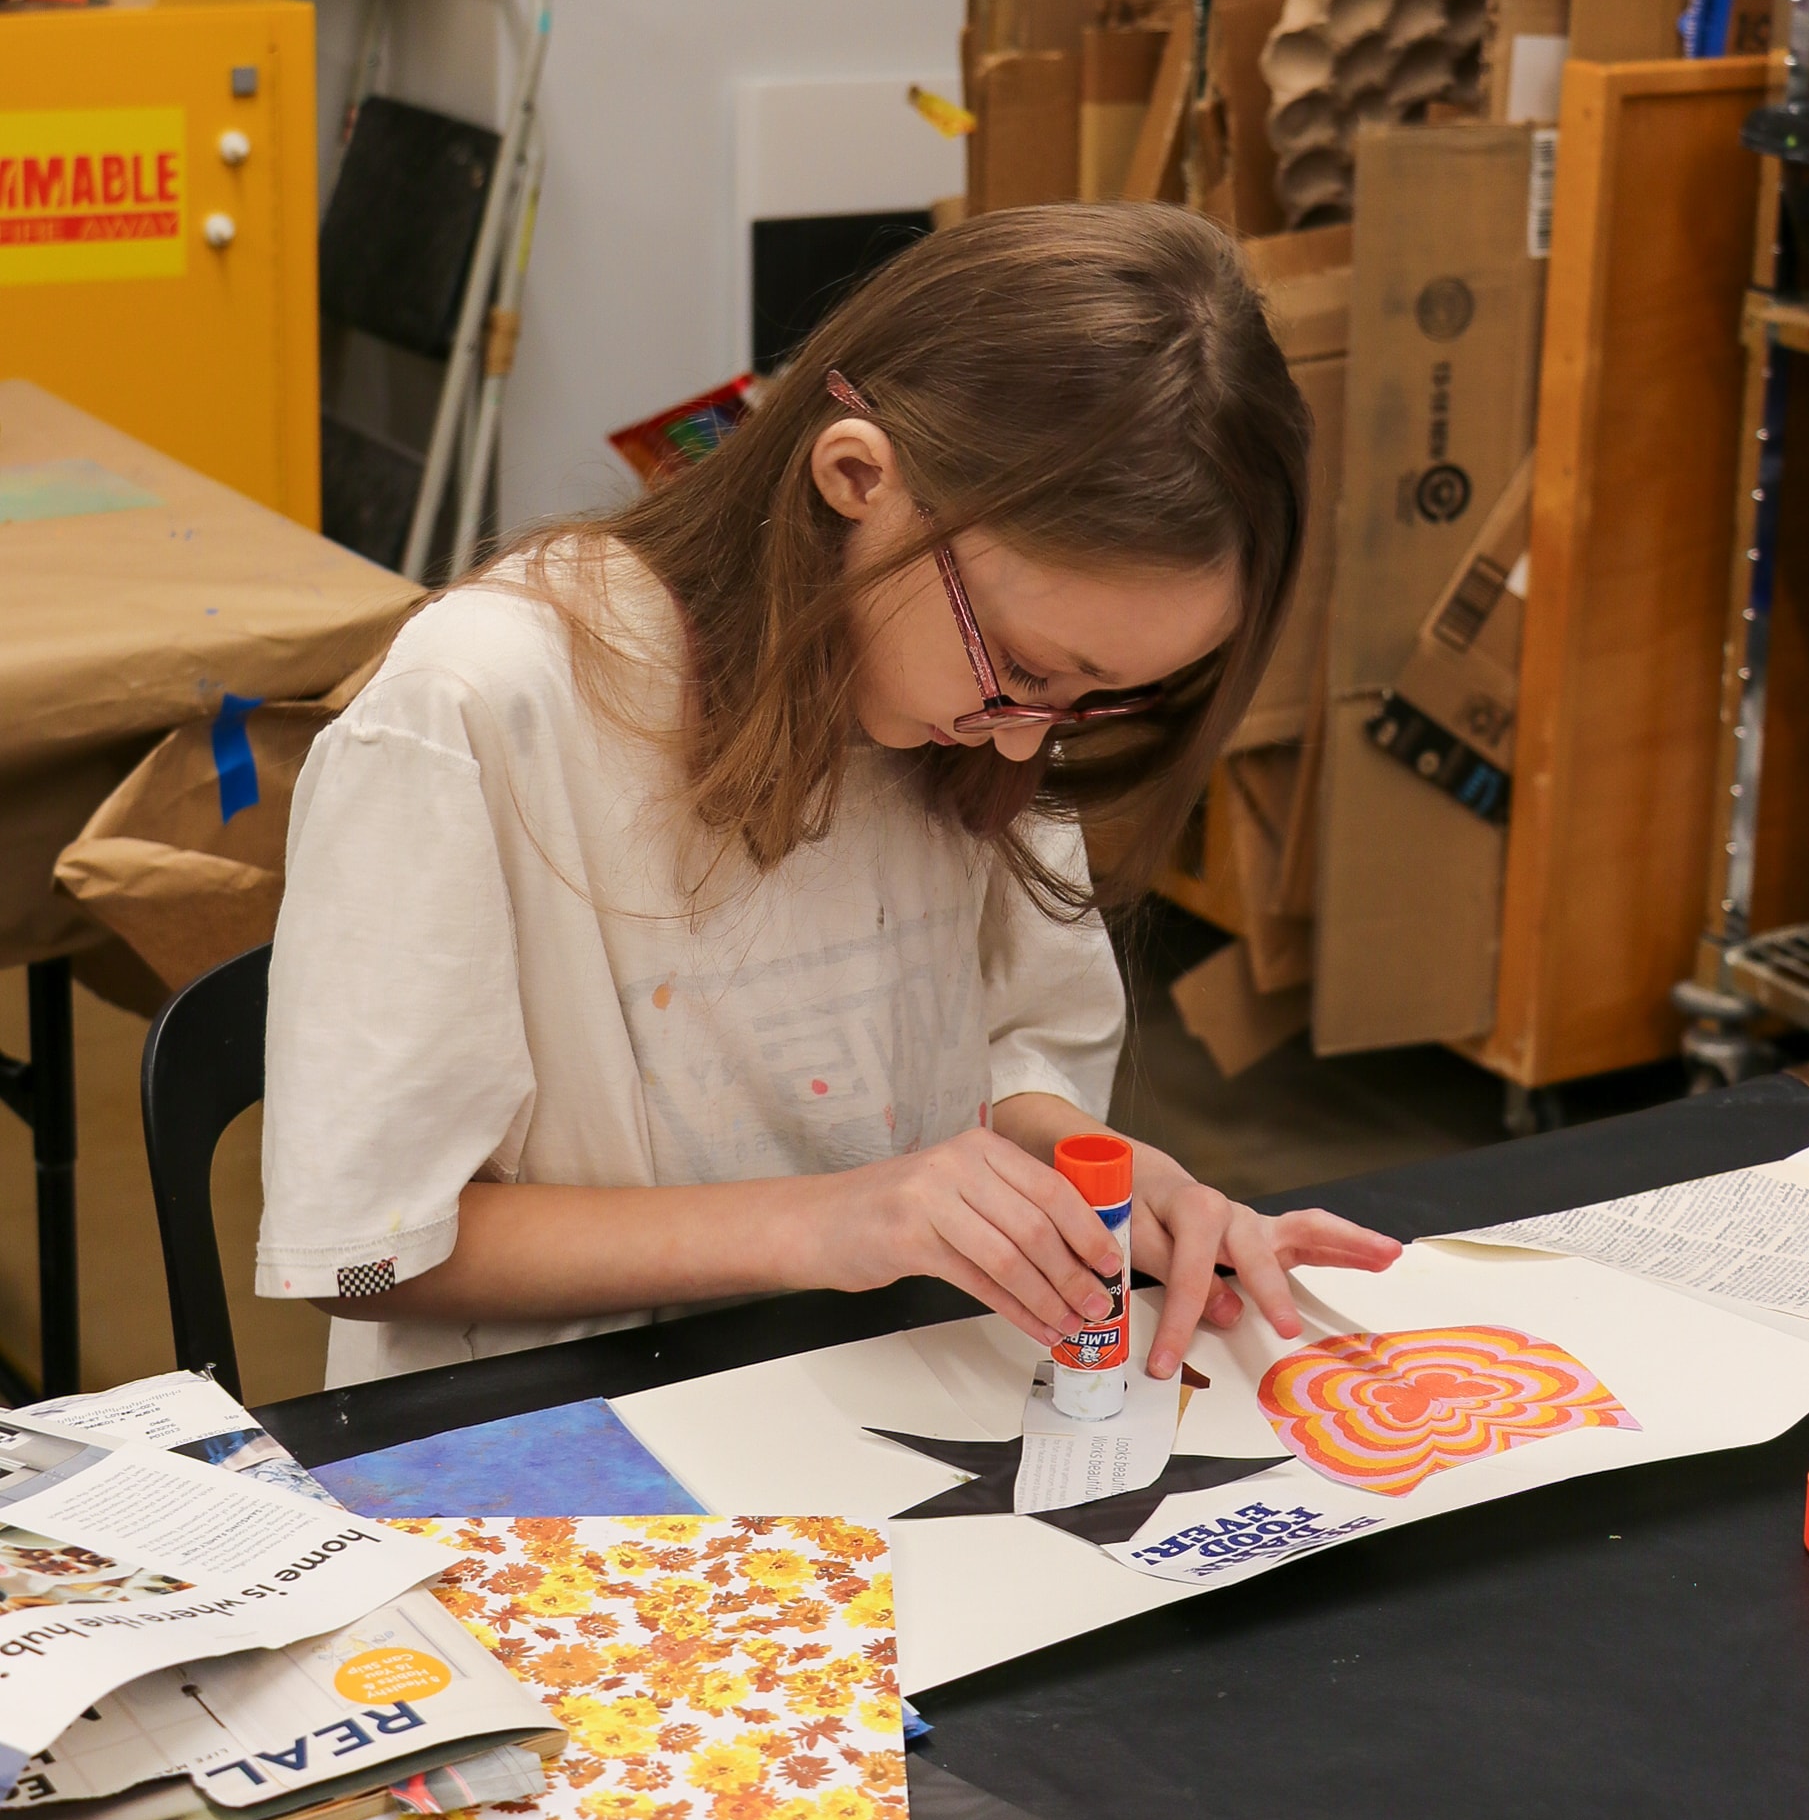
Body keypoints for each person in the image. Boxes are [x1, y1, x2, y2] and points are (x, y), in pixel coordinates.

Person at [258, 205, 1399, 1388]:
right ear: (857, 477)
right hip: (557, 1441)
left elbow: (1006, 1055)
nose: (1030, 740)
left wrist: (1098, 1173)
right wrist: (832, 1223)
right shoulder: (480, 707)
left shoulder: (983, 699)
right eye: (1032, 670)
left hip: (870, 1377)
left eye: (1096, 697)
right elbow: (370, 1256)